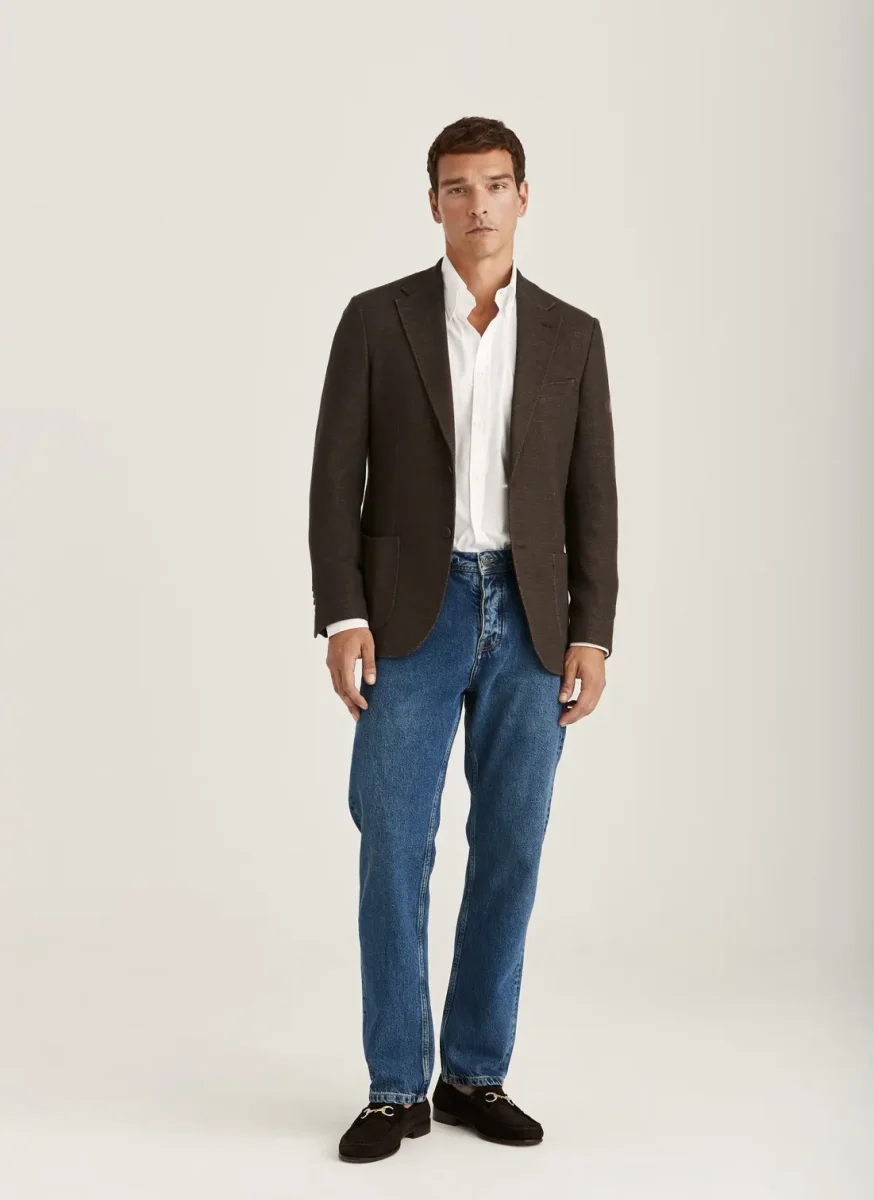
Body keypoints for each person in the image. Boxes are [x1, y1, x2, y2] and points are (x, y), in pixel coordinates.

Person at [308, 115, 618, 1164]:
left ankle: (475, 1072)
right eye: (456, 187)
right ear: (433, 201)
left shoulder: (573, 335)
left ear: (523, 196)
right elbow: (333, 481)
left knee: (513, 849)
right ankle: (395, 1086)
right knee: (393, 845)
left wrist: (593, 631)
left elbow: (592, 497)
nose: (476, 204)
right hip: (412, 610)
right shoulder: (376, 320)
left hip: (531, 617)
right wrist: (344, 614)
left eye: (494, 185)